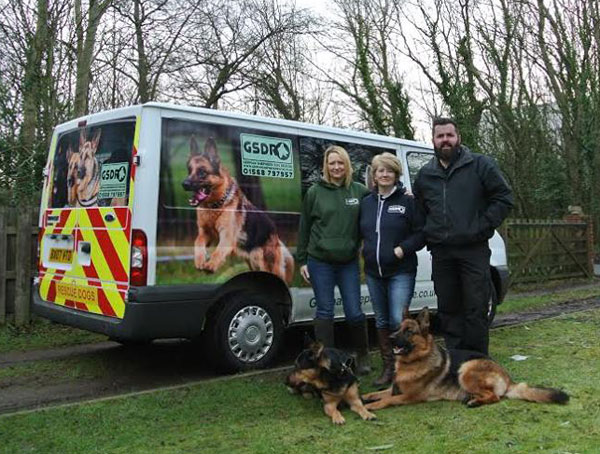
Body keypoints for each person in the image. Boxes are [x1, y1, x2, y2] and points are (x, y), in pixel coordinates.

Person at [413, 117, 514, 355]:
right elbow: (419, 210)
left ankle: (478, 361)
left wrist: (481, 226)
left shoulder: (481, 165)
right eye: (440, 136)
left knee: (475, 307)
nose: (445, 140)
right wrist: (429, 233)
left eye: (449, 135)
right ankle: (457, 362)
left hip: (474, 250)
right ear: (433, 140)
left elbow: (504, 198)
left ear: (458, 137)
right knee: (448, 309)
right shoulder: (425, 175)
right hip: (441, 253)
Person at [296, 145, 371, 374]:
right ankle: (327, 362)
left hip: (348, 262)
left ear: (347, 165)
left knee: (354, 312)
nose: (336, 167)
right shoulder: (314, 193)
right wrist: (302, 261)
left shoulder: (359, 191)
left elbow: (382, 203)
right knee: (325, 312)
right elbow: (304, 228)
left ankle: (363, 357)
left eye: (340, 162)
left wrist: (404, 194)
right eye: (332, 163)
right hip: (320, 262)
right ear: (325, 167)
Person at [360, 152, 425, 388]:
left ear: (396, 174)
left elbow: (421, 234)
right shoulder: (366, 202)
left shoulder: (408, 201)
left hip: (401, 270)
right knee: (380, 319)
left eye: (389, 170)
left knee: (398, 319)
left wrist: (402, 249)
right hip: (373, 271)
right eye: (380, 170)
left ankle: (403, 368)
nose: (384, 174)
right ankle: (388, 368)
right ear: (374, 176)